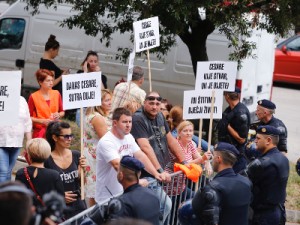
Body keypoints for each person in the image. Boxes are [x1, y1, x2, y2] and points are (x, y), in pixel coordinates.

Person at [96, 108, 171, 224]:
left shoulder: (129, 137)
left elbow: (141, 155)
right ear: (115, 123)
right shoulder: (106, 142)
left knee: (166, 205)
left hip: (127, 194)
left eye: (130, 122)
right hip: (109, 196)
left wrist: (156, 173)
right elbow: (118, 165)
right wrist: (136, 182)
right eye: (124, 122)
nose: (128, 125)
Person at [187, 142, 252, 225]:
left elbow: (197, 210)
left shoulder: (212, 188)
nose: (212, 160)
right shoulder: (246, 182)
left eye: (213, 156)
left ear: (218, 159)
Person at [164, 120, 212, 225]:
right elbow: (185, 164)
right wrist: (202, 159)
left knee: (196, 201)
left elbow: (199, 158)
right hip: (170, 187)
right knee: (170, 216)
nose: (189, 133)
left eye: (191, 130)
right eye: (185, 131)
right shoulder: (175, 145)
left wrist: (207, 163)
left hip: (181, 186)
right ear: (179, 132)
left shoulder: (190, 144)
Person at [243, 125, 289, 225]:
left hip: (263, 216)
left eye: (258, 138)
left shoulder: (262, 163)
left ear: (268, 140)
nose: (255, 141)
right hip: (277, 211)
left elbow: (241, 180)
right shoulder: (283, 159)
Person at [45, 121, 87, 220]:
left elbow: (82, 183)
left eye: (71, 136)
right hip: (58, 208)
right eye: (66, 136)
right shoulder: (47, 159)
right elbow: (45, 187)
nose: (70, 139)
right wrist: (60, 196)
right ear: (55, 138)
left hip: (78, 205)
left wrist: (82, 171)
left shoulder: (77, 155)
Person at [15, 138, 65, 208]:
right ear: (47, 155)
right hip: (48, 214)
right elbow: (61, 199)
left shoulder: (21, 173)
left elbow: (17, 197)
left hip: (27, 213)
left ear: (29, 155)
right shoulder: (54, 175)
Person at [83, 90, 112, 206]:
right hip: (96, 153)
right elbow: (105, 138)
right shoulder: (97, 117)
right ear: (98, 102)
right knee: (96, 187)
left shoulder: (91, 115)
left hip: (91, 151)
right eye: (107, 100)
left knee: (94, 187)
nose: (110, 103)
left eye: (110, 99)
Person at [115, 156, 160, 225]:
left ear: (121, 175)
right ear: (139, 175)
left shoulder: (123, 203)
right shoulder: (152, 194)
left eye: (118, 171)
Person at [216, 87, 250, 173]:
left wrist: (227, 126)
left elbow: (242, 139)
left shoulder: (241, 113)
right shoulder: (230, 109)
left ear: (227, 96)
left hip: (236, 155)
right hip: (228, 153)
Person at [0, 96, 32, 182]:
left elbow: (27, 122)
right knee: (3, 172)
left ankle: (7, 193)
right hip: (1, 142)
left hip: (16, 142)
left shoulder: (22, 100)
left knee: (8, 172)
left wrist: (29, 141)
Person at [28, 69, 64, 138]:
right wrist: (42, 121)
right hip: (40, 132)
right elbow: (28, 117)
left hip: (55, 130)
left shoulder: (56, 93)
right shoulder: (33, 96)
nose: (51, 83)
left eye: (52, 80)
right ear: (40, 82)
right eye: (48, 81)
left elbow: (62, 112)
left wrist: (58, 114)